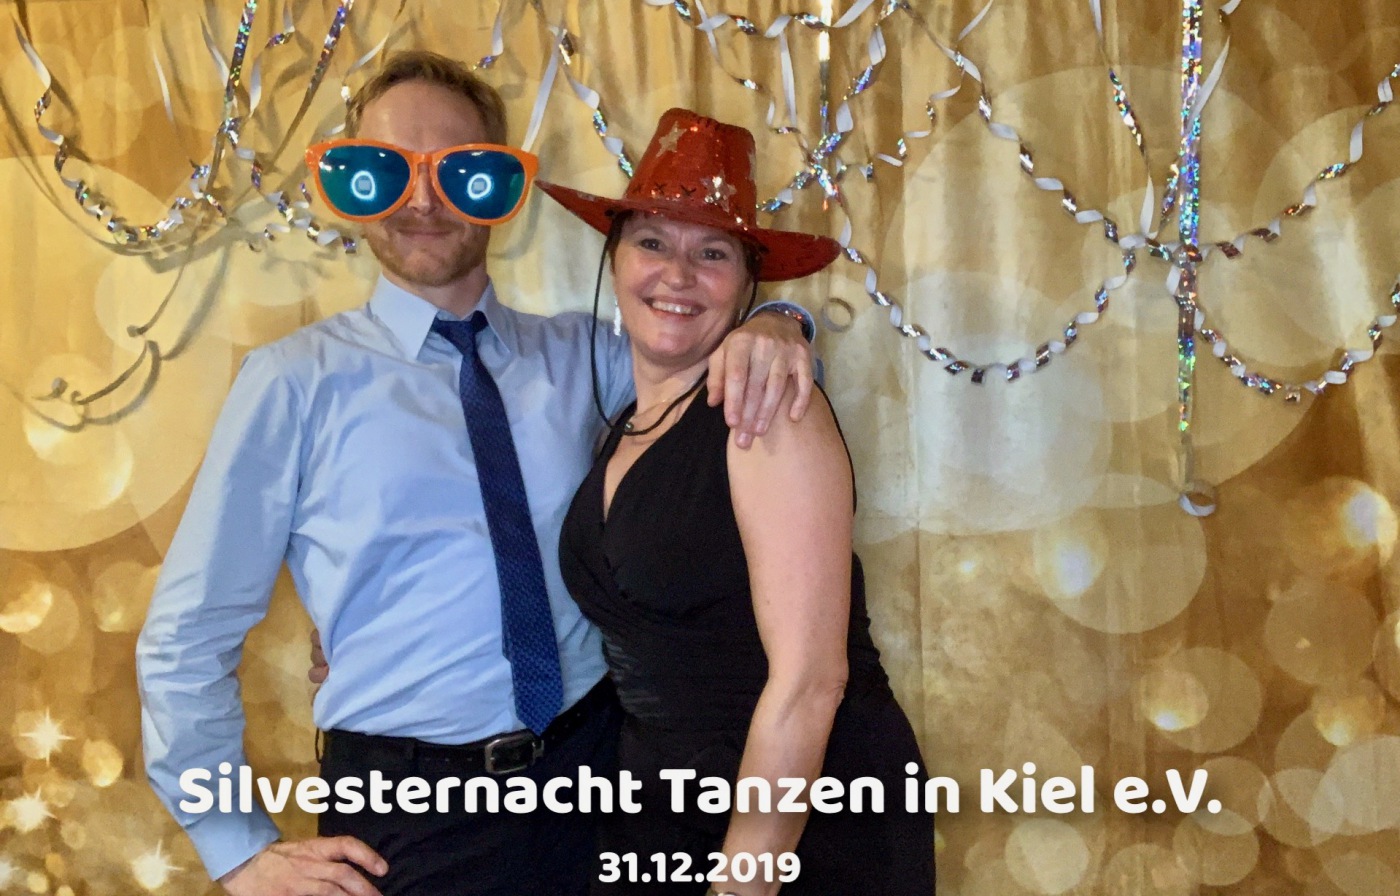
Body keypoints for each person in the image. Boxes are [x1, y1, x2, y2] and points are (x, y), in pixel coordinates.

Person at [135, 51, 820, 896]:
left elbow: (707, 348)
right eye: (389, 169)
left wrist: (780, 320)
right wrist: (235, 848)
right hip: (409, 813)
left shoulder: (585, 357)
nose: (423, 201)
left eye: (458, 172)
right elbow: (188, 633)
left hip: (600, 776)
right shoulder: (292, 384)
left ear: (502, 188)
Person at [544, 108, 936, 895]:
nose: (678, 274)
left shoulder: (768, 413)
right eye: (653, 242)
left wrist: (743, 881)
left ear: (749, 282)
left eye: (712, 253)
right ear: (614, 260)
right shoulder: (624, 422)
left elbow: (811, 682)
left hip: (800, 824)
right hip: (668, 813)